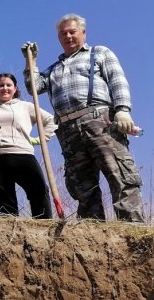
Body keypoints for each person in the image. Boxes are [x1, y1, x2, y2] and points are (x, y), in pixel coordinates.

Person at [23, 13, 144, 222]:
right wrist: (30, 61)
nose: (68, 36)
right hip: (68, 130)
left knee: (119, 174)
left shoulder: (99, 53)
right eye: (63, 34)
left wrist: (123, 109)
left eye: (72, 32)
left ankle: (132, 230)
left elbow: (117, 80)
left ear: (83, 33)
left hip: (99, 121)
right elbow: (33, 86)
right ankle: (93, 230)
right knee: (81, 185)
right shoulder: (53, 69)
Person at [0, 73, 57, 218]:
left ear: (15, 88)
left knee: (39, 191)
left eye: (8, 85)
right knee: (6, 203)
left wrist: (40, 139)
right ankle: (12, 234)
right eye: (1, 85)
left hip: (23, 155)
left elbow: (52, 121)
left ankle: (44, 226)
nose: (5, 88)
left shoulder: (26, 106)